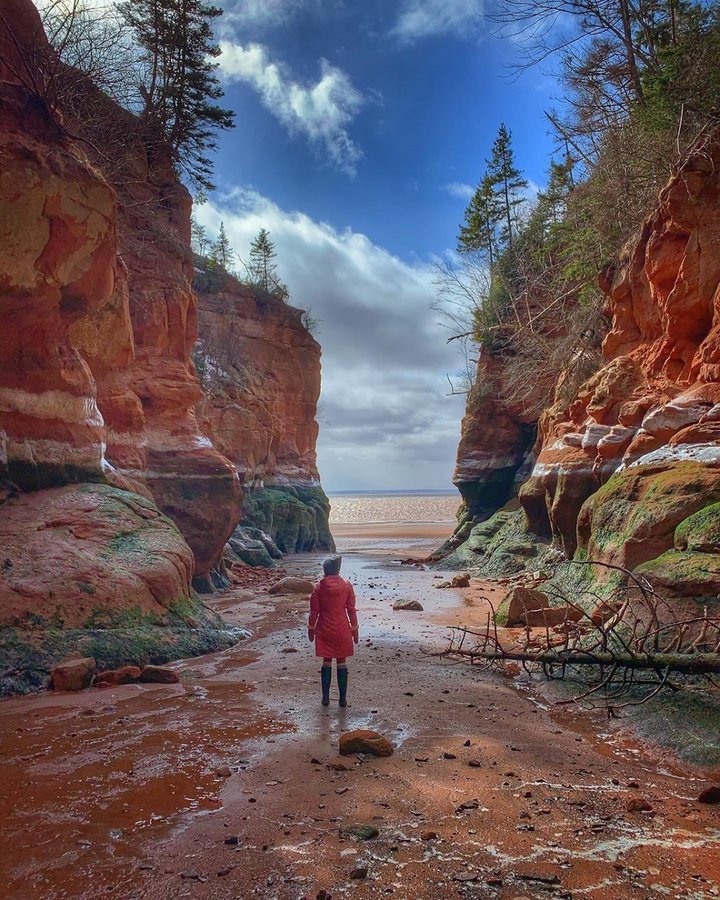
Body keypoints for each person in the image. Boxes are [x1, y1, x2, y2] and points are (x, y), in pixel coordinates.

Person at [308, 556, 358, 707]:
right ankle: (342, 699)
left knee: (327, 661)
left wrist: (311, 628)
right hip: (342, 628)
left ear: (325, 571)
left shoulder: (318, 588)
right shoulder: (347, 586)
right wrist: (355, 629)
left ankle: (325, 698)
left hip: (324, 628)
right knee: (342, 661)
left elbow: (314, 611)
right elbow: (351, 610)